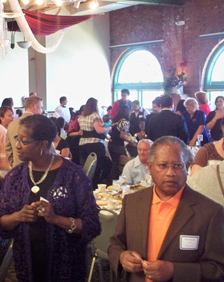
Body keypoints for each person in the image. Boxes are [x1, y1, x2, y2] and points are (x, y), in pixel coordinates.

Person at [0, 114, 101, 281]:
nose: (17, 145)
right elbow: (0, 223)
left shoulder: (74, 175)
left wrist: (57, 219)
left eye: (24, 141)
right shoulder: (15, 177)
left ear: (43, 144)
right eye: (17, 139)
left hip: (67, 270)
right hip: (27, 269)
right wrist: (18, 216)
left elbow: (92, 225)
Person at [108, 136, 224, 282]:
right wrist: (122, 257)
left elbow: (218, 269)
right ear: (150, 167)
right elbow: (115, 245)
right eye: (163, 165)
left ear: (187, 166)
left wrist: (174, 271)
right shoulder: (132, 203)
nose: (170, 173)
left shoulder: (210, 212)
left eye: (177, 166)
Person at [78, 97, 111, 186]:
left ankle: (86, 183)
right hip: (95, 144)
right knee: (97, 166)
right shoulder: (94, 116)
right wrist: (109, 127)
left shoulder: (81, 117)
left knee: (88, 166)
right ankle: (95, 184)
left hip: (83, 144)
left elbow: (82, 131)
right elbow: (99, 130)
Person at [6, 96, 43, 168]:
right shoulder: (39, 124)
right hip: (37, 169)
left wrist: (14, 165)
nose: (41, 111)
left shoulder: (12, 124)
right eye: (41, 107)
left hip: (17, 168)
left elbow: (8, 149)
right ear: (35, 107)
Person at [108, 104, 137, 180]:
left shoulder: (116, 121)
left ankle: (111, 181)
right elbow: (122, 136)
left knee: (114, 164)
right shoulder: (124, 122)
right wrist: (130, 141)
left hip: (111, 144)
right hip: (118, 145)